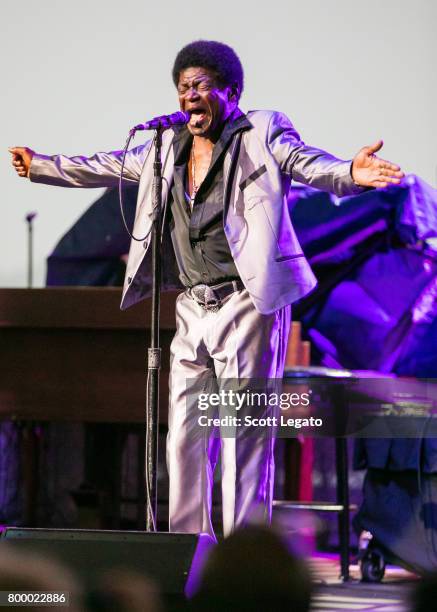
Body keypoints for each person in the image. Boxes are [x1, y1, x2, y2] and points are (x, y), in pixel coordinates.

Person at [9, 40, 404, 539]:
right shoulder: (162, 145)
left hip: (247, 301)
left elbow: (308, 163)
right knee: (184, 439)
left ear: (230, 91)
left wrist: (350, 173)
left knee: (242, 441)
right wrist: (41, 165)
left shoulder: (261, 131)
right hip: (191, 305)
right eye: (182, 88)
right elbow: (105, 165)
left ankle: (242, 563)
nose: (189, 96)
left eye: (200, 86)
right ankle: (188, 556)